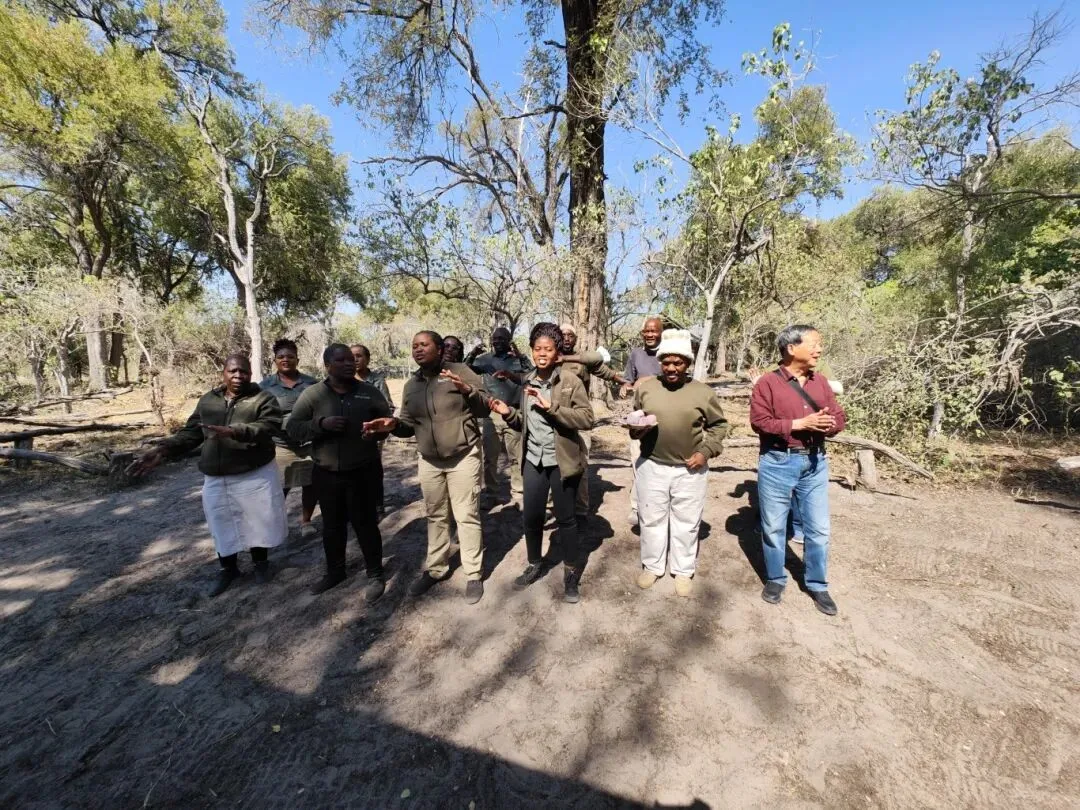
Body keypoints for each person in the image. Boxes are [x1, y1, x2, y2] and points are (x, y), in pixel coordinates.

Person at [128, 355, 285, 596]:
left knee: (256, 521)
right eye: (233, 371)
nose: (238, 376)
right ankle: (228, 569)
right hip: (216, 475)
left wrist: (235, 431)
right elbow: (192, 432)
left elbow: (269, 426)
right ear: (223, 372)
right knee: (221, 522)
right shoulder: (208, 400)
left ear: (251, 374)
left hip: (252, 472)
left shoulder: (262, 398)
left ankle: (260, 564)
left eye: (243, 371)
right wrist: (164, 449)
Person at [364, 331, 490, 604]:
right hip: (429, 460)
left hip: (463, 456)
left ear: (439, 349)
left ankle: (473, 573)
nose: (418, 350)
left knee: (466, 515)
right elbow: (408, 424)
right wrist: (393, 425)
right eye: (414, 346)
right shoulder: (411, 385)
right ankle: (436, 569)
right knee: (435, 515)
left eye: (424, 345)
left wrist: (467, 390)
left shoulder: (460, 371)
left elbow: (485, 408)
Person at [488, 323, 594, 603]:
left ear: (557, 352)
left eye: (548, 349)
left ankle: (571, 573)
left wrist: (553, 409)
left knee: (566, 519)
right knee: (532, 517)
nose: (542, 354)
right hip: (533, 460)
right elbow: (525, 423)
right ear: (532, 351)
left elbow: (587, 419)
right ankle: (535, 563)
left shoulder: (569, 381)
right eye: (537, 349)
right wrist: (508, 413)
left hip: (561, 461)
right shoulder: (527, 381)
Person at [750, 324, 846, 615]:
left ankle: (817, 584)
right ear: (791, 348)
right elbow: (759, 422)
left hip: (815, 463)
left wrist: (830, 425)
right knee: (774, 527)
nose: (819, 349)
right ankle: (775, 579)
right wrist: (798, 424)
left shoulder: (821, 382)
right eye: (814, 344)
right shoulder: (767, 383)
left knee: (818, 529)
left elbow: (839, 417)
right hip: (777, 462)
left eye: (819, 344)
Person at [626, 330, 729, 597]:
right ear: (660, 361)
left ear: (688, 363)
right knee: (651, 519)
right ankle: (652, 566)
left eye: (678, 362)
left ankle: (683, 570)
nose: (671, 368)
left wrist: (705, 452)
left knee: (687, 521)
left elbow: (719, 426)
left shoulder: (702, 393)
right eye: (666, 362)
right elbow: (635, 420)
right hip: (651, 465)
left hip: (689, 469)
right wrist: (636, 430)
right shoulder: (646, 389)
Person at [288, 344, 393, 600]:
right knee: (332, 526)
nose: (349, 363)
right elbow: (293, 428)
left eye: (350, 359)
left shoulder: (368, 392)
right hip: (327, 473)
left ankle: (375, 573)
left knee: (365, 524)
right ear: (327, 366)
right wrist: (321, 424)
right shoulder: (313, 395)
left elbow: (387, 423)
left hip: (363, 470)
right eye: (341, 360)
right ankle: (335, 572)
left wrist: (378, 431)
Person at [557, 323, 626, 517]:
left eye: (571, 335)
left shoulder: (583, 359)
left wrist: (624, 382)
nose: (566, 338)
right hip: (555, 420)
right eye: (563, 334)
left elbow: (604, 368)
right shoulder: (550, 356)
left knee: (581, 465)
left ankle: (581, 509)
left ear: (576, 339)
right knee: (554, 465)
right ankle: (555, 506)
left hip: (579, 420)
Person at [260, 338, 319, 538]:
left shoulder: (312, 384)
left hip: (309, 444)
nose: (286, 359)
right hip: (281, 445)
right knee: (279, 487)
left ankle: (306, 522)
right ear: (275, 360)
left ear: (297, 359)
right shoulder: (265, 387)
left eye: (290, 356)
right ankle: (274, 526)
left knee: (310, 484)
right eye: (281, 357)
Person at [469, 327, 532, 504]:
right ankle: (492, 494)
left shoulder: (517, 360)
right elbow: (466, 369)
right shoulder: (484, 360)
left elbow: (532, 373)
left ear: (509, 340)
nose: (497, 342)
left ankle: (518, 494)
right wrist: (472, 354)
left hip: (514, 412)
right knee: (490, 458)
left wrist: (521, 356)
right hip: (491, 414)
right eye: (495, 339)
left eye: (502, 338)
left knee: (517, 457)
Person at [619, 316, 665, 526]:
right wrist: (625, 386)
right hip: (639, 417)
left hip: (664, 416)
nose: (650, 334)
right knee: (638, 460)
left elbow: (676, 378)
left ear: (661, 332)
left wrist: (647, 380)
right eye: (646, 331)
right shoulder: (636, 354)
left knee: (661, 464)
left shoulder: (668, 353)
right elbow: (629, 380)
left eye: (654, 331)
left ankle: (659, 507)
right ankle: (637, 507)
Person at [351, 343, 393, 518]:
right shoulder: (345, 380)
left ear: (367, 359)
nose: (355, 359)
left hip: (373, 432)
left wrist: (378, 427)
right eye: (352, 356)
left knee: (373, 468)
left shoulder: (377, 380)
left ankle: (377, 503)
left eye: (359, 356)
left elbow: (388, 406)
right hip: (351, 433)